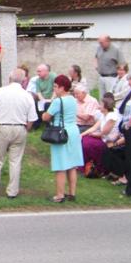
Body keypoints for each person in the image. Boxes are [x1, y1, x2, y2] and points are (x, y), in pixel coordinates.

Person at [0, 69, 37, 199]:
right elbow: (32, 118)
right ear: (23, 81)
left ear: (9, 78)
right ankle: (12, 191)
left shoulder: (0, 92)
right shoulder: (27, 95)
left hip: (1, 126)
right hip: (19, 127)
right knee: (15, 161)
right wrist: (26, 130)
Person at [42, 75, 84, 203]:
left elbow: (46, 117)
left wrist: (45, 111)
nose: (54, 89)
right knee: (72, 165)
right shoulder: (72, 99)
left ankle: (59, 195)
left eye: (55, 86)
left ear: (62, 88)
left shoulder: (58, 101)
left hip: (61, 132)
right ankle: (72, 193)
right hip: (73, 131)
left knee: (60, 165)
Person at [80, 97, 122, 177]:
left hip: (108, 140)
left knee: (87, 145)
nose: (99, 106)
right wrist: (82, 134)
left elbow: (104, 133)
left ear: (106, 106)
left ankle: (97, 168)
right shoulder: (104, 115)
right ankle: (83, 164)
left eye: (101, 104)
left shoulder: (111, 117)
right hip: (102, 137)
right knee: (83, 139)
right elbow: (94, 127)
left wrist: (92, 134)